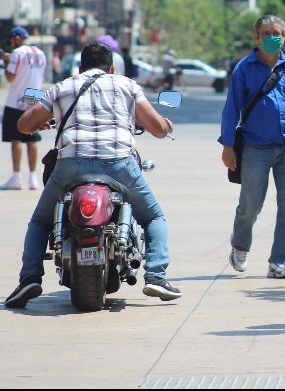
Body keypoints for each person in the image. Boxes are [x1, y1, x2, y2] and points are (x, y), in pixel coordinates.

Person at [4, 41, 181, 308]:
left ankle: (29, 277)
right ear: (111, 68)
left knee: (40, 222)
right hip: (118, 163)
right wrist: (166, 125)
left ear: (79, 67)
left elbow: (24, 125)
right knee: (154, 216)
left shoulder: (63, 87)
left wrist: (44, 121)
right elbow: (156, 127)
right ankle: (156, 275)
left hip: (71, 164)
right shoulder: (126, 85)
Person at [220, 15, 285, 279]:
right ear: (257, 38)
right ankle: (240, 246)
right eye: (267, 33)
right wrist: (228, 145)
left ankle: (279, 262)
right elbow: (231, 109)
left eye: (278, 33)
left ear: (284, 37)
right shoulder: (243, 69)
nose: (273, 38)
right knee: (251, 204)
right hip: (255, 147)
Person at [1, 26, 47, 191]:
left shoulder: (17, 53)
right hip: (34, 96)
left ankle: (16, 177)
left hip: (16, 98)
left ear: (17, 38)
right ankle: (33, 178)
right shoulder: (41, 53)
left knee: (16, 139)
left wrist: (7, 62)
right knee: (32, 139)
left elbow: (10, 77)